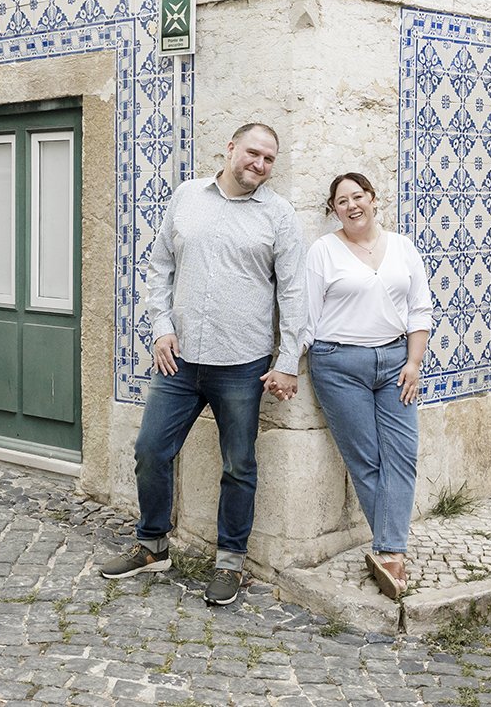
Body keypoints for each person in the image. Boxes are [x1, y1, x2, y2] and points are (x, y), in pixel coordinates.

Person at [100, 122, 305, 606]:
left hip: (242, 363)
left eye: (269, 159)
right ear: (230, 147)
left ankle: (229, 563)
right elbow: (160, 268)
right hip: (179, 360)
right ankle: (152, 545)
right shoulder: (187, 196)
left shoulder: (278, 215)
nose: (260, 164)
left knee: (239, 465)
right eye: (253, 153)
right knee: (150, 451)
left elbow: (293, 292)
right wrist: (160, 327)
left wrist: (290, 359)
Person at [302, 172, 431, 599]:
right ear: (334, 210)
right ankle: (393, 552)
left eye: (358, 196)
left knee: (402, 455)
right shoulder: (324, 251)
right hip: (339, 364)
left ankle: (388, 551)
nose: (352, 205)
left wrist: (414, 361)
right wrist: (288, 364)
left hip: (397, 361)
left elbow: (419, 309)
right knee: (365, 459)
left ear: (374, 200)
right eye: (342, 201)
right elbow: (307, 315)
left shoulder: (403, 247)